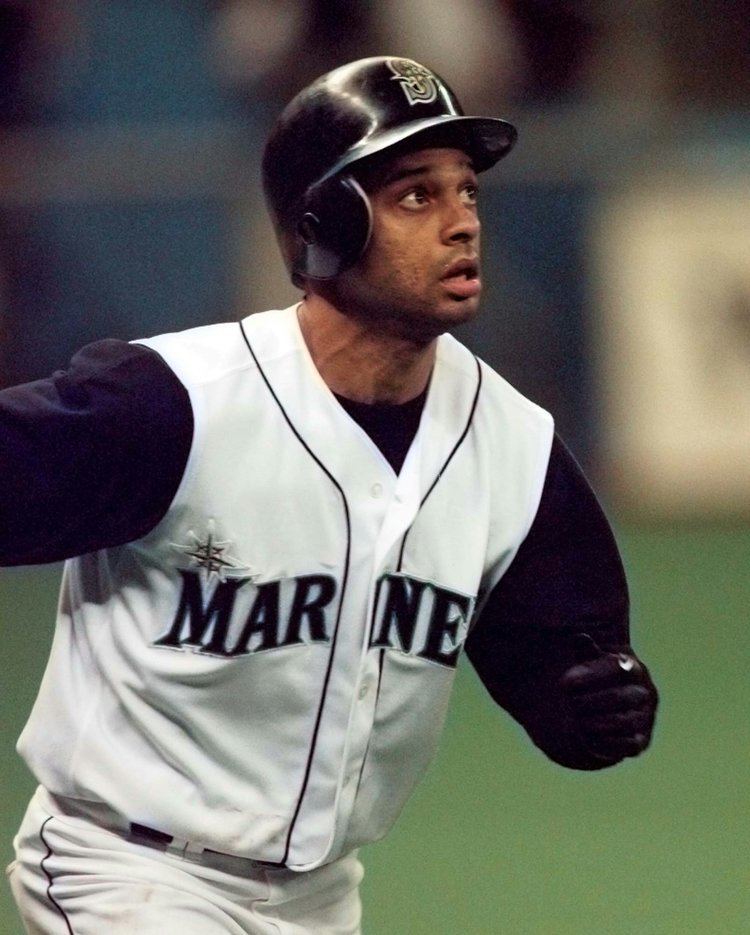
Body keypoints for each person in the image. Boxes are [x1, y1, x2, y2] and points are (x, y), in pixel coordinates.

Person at [3, 57, 658, 934]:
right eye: (416, 197)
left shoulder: (513, 445)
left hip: (322, 899)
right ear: (325, 228)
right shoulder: (176, 404)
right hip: (126, 873)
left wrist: (592, 700)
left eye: (467, 192)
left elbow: (563, 663)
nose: (463, 222)